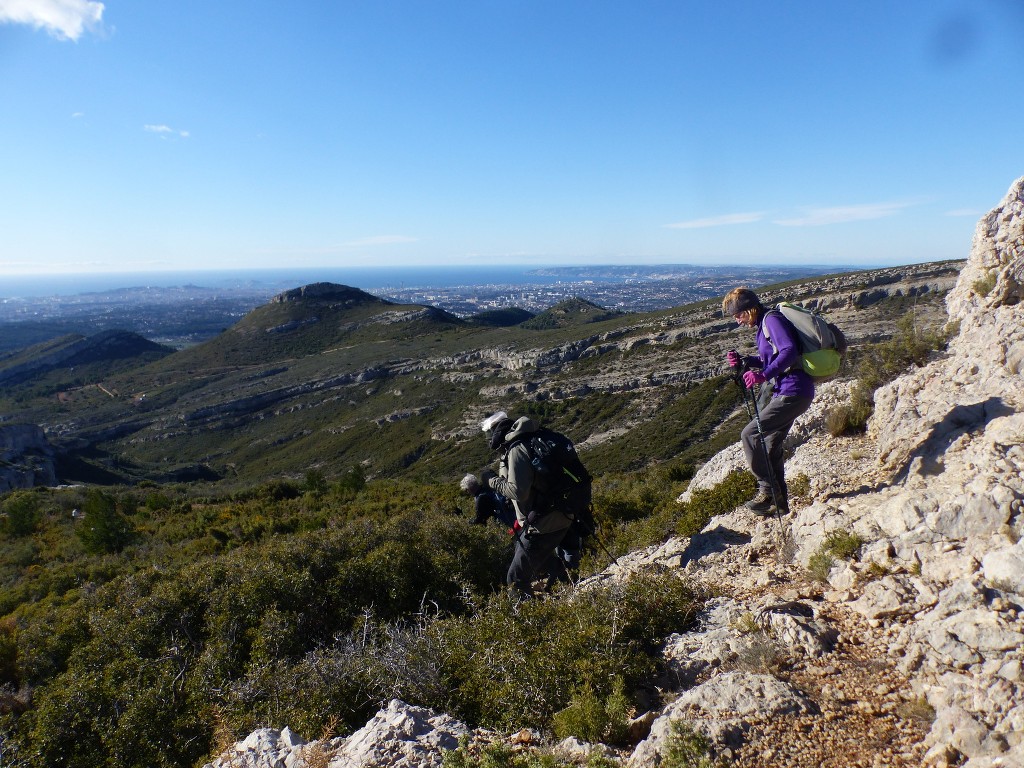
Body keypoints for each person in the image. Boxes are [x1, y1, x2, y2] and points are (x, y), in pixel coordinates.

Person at [722, 287, 815, 515]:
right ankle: (780, 506)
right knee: (771, 446)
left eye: (739, 315)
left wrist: (763, 375)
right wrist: (746, 361)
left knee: (750, 434)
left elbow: (789, 351)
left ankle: (766, 491)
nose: (738, 321)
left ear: (750, 309)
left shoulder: (771, 320)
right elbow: (771, 357)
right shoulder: (763, 323)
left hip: (792, 391)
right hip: (790, 391)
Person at [479, 410, 575, 596]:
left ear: (495, 432)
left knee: (515, 579)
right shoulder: (535, 439)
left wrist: (491, 480)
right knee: (532, 555)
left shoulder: (517, 449)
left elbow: (518, 492)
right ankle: (569, 582)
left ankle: (532, 621)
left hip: (543, 523)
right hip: (561, 515)